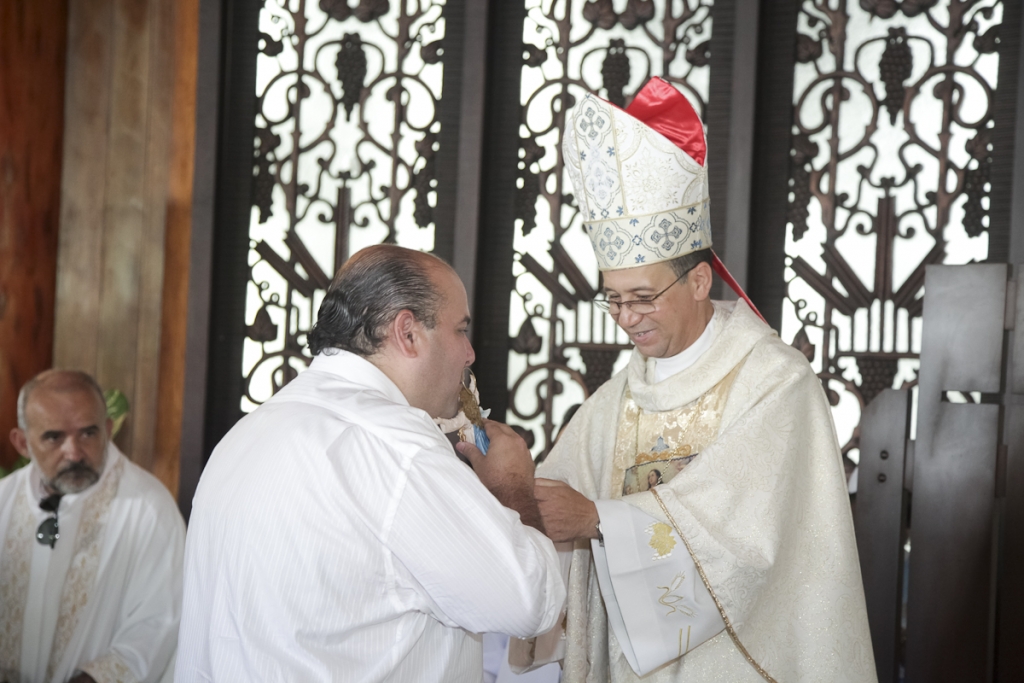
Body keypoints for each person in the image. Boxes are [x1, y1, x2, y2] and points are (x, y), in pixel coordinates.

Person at [512, 78, 876, 682]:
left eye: (643, 298)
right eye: (614, 301)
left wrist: (601, 521)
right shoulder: (614, 403)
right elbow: (552, 499)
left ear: (700, 282)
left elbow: (747, 542)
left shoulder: (773, 384)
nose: (628, 319)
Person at [176, 245, 565, 682]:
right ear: (408, 333)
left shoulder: (248, 433)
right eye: (460, 331)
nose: (470, 354)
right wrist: (511, 483)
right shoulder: (396, 444)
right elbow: (532, 600)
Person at [0, 370, 185, 683]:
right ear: (22, 443)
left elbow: (159, 625)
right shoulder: (3, 501)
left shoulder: (149, 510)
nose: (74, 452)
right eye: (53, 437)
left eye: (88, 433)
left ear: (108, 430)